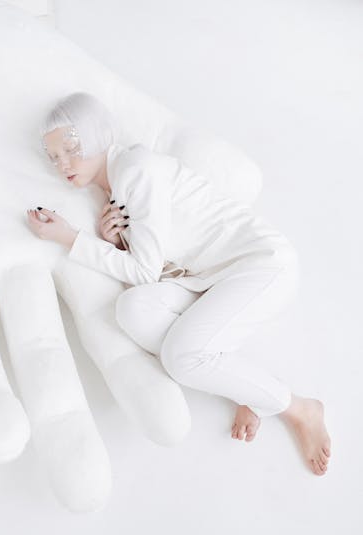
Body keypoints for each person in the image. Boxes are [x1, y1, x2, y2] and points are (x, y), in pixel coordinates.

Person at [27, 91, 331, 476]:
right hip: (211, 280)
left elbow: (144, 271)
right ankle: (245, 388)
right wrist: (117, 242)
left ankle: (299, 408)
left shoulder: (134, 168)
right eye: (54, 157)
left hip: (262, 265)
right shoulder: (118, 189)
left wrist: (71, 238)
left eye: (71, 148)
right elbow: (156, 268)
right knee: (133, 309)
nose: (63, 164)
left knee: (181, 359)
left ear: (95, 135)